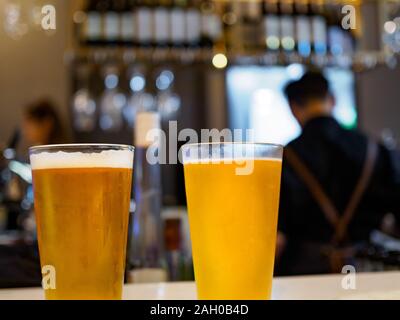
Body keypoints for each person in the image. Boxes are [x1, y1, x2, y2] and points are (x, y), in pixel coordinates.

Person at [275, 71, 400, 275]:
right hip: (367, 272)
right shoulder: (374, 149)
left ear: (294, 108)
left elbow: (277, 237)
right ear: (332, 99)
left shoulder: (285, 158)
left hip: (303, 278)